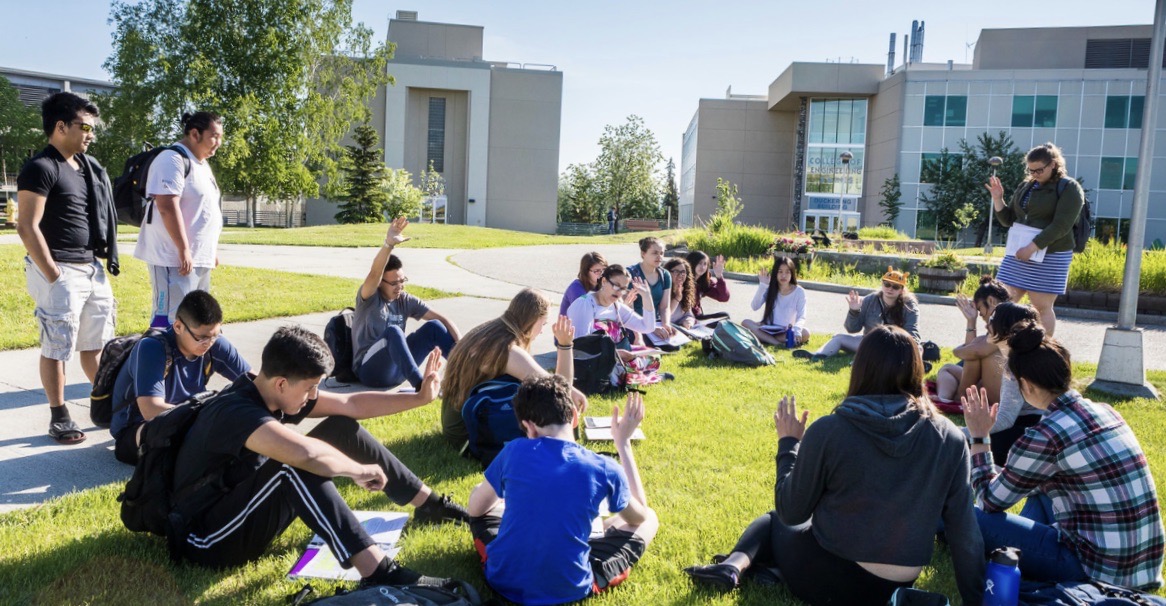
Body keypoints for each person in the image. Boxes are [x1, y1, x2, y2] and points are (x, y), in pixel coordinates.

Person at [684, 326, 984, 604]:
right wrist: (977, 599)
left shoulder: (831, 430)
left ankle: (733, 566)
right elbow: (963, 531)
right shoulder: (950, 437)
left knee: (775, 520)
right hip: (896, 586)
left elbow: (792, 511)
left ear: (860, 368)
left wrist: (788, 444)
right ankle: (756, 570)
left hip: (829, 577)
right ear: (917, 370)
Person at [172, 325, 469, 583]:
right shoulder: (237, 413)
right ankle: (378, 571)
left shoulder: (272, 390)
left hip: (238, 508)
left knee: (339, 428)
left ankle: (430, 505)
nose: (314, 395)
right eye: (311, 387)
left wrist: (418, 398)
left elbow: (350, 404)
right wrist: (359, 470)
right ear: (281, 384)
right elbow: (307, 455)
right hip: (205, 540)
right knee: (294, 465)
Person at [962, 321, 1164, 591]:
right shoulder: (1105, 411)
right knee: (1037, 491)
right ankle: (1018, 548)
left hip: (1093, 571)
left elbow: (988, 501)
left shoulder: (1045, 436)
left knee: (968, 515)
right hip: (1142, 569)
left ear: (1027, 386)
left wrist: (979, 437)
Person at [467, 376, 657, 605]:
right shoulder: (604, 467)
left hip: (501, 579)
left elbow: (475, 511)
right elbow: (639, 517)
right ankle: (595, 533)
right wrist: (623, 443)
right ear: (575, 416)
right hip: (569, 587)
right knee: (650, 519)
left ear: (528, 427)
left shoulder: (514, 451)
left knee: (483, 494)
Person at [16, 92, 119, 446]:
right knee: (57, 345)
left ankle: (109, 404)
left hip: (90, 266)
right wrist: (52, 274)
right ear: (61, 127)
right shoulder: (41, 167)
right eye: (84, 127)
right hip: (59, 269)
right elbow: (27, 225)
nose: (90, 134)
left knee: (96, 345)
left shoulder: (86, 167)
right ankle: (59, 416)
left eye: (92, 128)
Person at [109, 290, 249, 465]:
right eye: (201, 337)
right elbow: (151, 409)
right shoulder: (152, 348)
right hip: (139, 430)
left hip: (187, 422)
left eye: (215, 335)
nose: (209, 343)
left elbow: (254, 383)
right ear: (178, 327)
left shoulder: (215, 343)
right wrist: (208, 418)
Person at [439, 288, 587, 446]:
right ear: (532, 319)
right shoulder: (508, 351)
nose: (542, 330)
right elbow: (559, 391)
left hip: (454, 424)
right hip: (468, 435)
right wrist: (565, 345)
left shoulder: (489, 331)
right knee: (544, 397)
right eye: (542, 323)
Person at [134, 111, 225, 327]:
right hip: (173, 258)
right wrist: (184, 249)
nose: (219, 143)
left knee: (196, 322)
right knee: (169, 320)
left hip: (197, 259)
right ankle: (158, 360)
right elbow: (166, 206)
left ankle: (186, 362)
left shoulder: (201, 164)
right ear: (195, 133)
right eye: (214, 136)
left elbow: (201, 209)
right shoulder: (172, 159)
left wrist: (209, 250)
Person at [987, 142, 1084, 336]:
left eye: (1039, 170)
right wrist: (998, 199)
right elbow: (1008, 219)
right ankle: (994, 347)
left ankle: (1043, 350)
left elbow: (1061, 226)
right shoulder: (1026, 186)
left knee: (1041, 307)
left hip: (1051, 253)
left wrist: (1032, 248)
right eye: (1031, 170)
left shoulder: (1069, 188)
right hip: (1020, 253)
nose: (1034, 174)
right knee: (1000, 302)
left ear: (1053, 165)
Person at [353, 217, 460, 389]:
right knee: (393, 332)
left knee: (434, 327)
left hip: (398, 371)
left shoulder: (405, 300)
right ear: (381, 282)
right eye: (394, 283)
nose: (399, 287)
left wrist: (461, 348)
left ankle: (471, 373)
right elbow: (374, 273)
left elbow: (444, 320)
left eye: (402, 281)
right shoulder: (369, 298)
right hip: (370, 372)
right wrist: (389, 244)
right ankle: (420, 386)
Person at [795, 267, 918, 361]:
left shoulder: (909, 304)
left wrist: (912, 348)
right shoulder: (870, 300)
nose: (890, 289)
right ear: (882, 284)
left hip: (895, 346)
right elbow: (852, 329)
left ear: (901, 290)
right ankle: (818, 355)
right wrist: (854, 311)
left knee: (919, 348)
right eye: (887, 284)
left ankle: (916, 364)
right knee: (838, 337)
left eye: (895, 287)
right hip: (869, 343)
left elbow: (912, 331)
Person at [974, 302, 1046, 464]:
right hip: (1043, 428)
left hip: (1024, 434)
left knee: (968, 444)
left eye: (993, 318)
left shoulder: (1015, 364)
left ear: (1007, 328)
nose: (988, 324)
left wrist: (966, 432)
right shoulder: (1033, 355)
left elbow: (1006, 419)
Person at [932, 276, 1010, 405]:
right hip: (997, 383)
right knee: (947, 369)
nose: (981, 316)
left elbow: (971, 353)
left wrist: (958, 351)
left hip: (1006, 393)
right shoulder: (1002, 318)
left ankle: (959, 397)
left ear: (991, 301)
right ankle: (944, 400)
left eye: (980, 310)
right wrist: (971, 321)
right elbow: (972, 353)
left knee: (973, 355)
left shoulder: (1008, 321)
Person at [566, 265, 657, 341]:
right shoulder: (584, 304)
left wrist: (647, 296)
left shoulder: (616, 307)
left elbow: (647, 327)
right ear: (604, 281)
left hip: (612, 359)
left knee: (652, 359)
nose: (619, 292)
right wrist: (617, 354)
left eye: (623, 289)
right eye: (616, 286)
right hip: (590, 360)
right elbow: (580, 345)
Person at [741, 255, 809, 347]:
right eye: (780, 272)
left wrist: (796, 331)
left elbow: (801, 316)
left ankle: (765, 338)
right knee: (746, 322)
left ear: (792, 274)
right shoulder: (770, 288)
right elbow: (754, 306)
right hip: (767, 328)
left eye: (787, 272)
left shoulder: (799, 292)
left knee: (805, 333)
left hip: (785, 330)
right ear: (775, 273)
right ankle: (776, 342)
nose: (783, 275)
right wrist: (762, 285)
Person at [627, 237, 674, 340]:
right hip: (633, 326)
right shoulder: (630, 274)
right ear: (643, 254)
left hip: (655, 322)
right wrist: (650, 328)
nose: (659, 257)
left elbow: (664, 306)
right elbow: (627, 309)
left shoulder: (665, 275)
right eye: (655, 253)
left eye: (661, 253)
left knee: (672, 346)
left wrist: (665, 324)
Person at [685, 250, 730, 321]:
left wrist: (719, 276)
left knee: (725, 316)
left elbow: (723, 297)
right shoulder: (683, 279)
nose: (702, 267)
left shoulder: (704, 281)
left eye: (705, 264)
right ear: (691, 263)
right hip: (685, 318)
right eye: (699, 263)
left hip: (698, 318)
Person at [560, 252, 607, 318]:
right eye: (597, 271)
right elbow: (586, 316)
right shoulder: (576, 289)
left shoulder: (600, 286)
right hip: (572, 326)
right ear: (586, 272)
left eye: (604, 270)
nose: (602, 274)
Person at [662, 258, 696, 329]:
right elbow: (664, 315)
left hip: (680, 330)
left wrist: (688, 322)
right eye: (676, 271)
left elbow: (689, 315)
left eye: (683, 272)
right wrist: (677, 298)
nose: (680, 275)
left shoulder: (685, 291)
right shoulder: (662, 291)